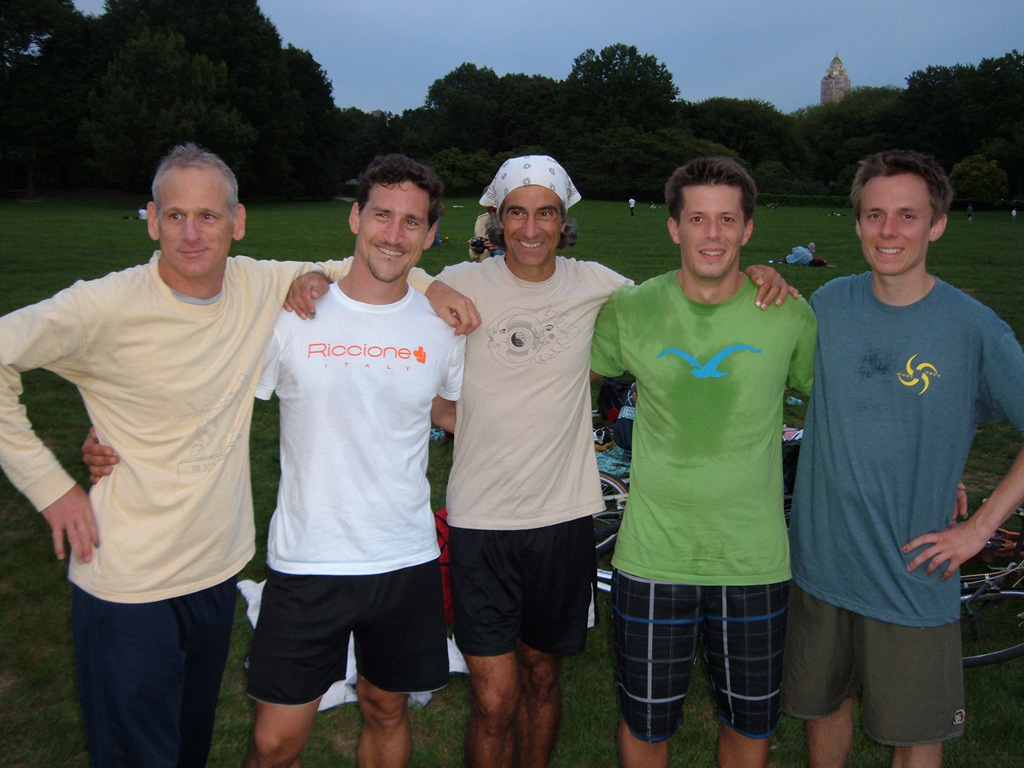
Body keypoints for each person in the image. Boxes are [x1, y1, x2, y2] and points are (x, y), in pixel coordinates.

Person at [289, 154, 795, 768]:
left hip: (563, 520)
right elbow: (382, 280)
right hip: (480, 521)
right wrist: (319, 274)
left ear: (563, 221)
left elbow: (684, 291)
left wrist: (759, 273)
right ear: (498, 220)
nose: (531, 228)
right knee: (494, 697)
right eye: (517, 213)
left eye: (546, 213)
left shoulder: (599, 286)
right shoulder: (455, 283)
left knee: (542, 676)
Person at [1, 142, 478, 768]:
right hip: (152, 573)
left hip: (232, 569)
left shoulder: (266, 289)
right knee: (225, 746)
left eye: (208, 215)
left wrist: (431, 284)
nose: (192, 233)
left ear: (238, 221)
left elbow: (379, 278)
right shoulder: (132, 305)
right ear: (152, 219)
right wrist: (55, 483)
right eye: (176, 215)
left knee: (196, 744)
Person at [783, 149, 1024, 768]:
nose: (888, 231)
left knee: (916, 735)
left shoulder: (973, 328)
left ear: (936, 224)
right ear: (858, 223)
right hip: (820, 567)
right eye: (875, 215)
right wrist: (762, 274)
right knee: (823, 708)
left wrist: (979, 528)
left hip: (912, 575)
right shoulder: (830, 304)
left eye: (907, 216)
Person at [590, 157, 816, 768]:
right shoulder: (632, 309)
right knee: (645, 726)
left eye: (726, 219)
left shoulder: (788, 313)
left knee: (749, 724)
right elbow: (559, 379)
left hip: (753, 560)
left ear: (747, 228)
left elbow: (842, 405)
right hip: (652, 555)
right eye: (697, 219)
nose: (712, 234)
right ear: (674, 228)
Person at [242, 154, 465, 768]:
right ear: (355, 218)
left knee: (387, 710)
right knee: (274, 741)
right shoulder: (295, 316)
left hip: (404, 557)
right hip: (307, 557)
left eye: (412, 222)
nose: (394, 234)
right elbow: (223, 403)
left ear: (429, 234)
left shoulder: (441, 328)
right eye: (381, 215)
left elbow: (454, 412)